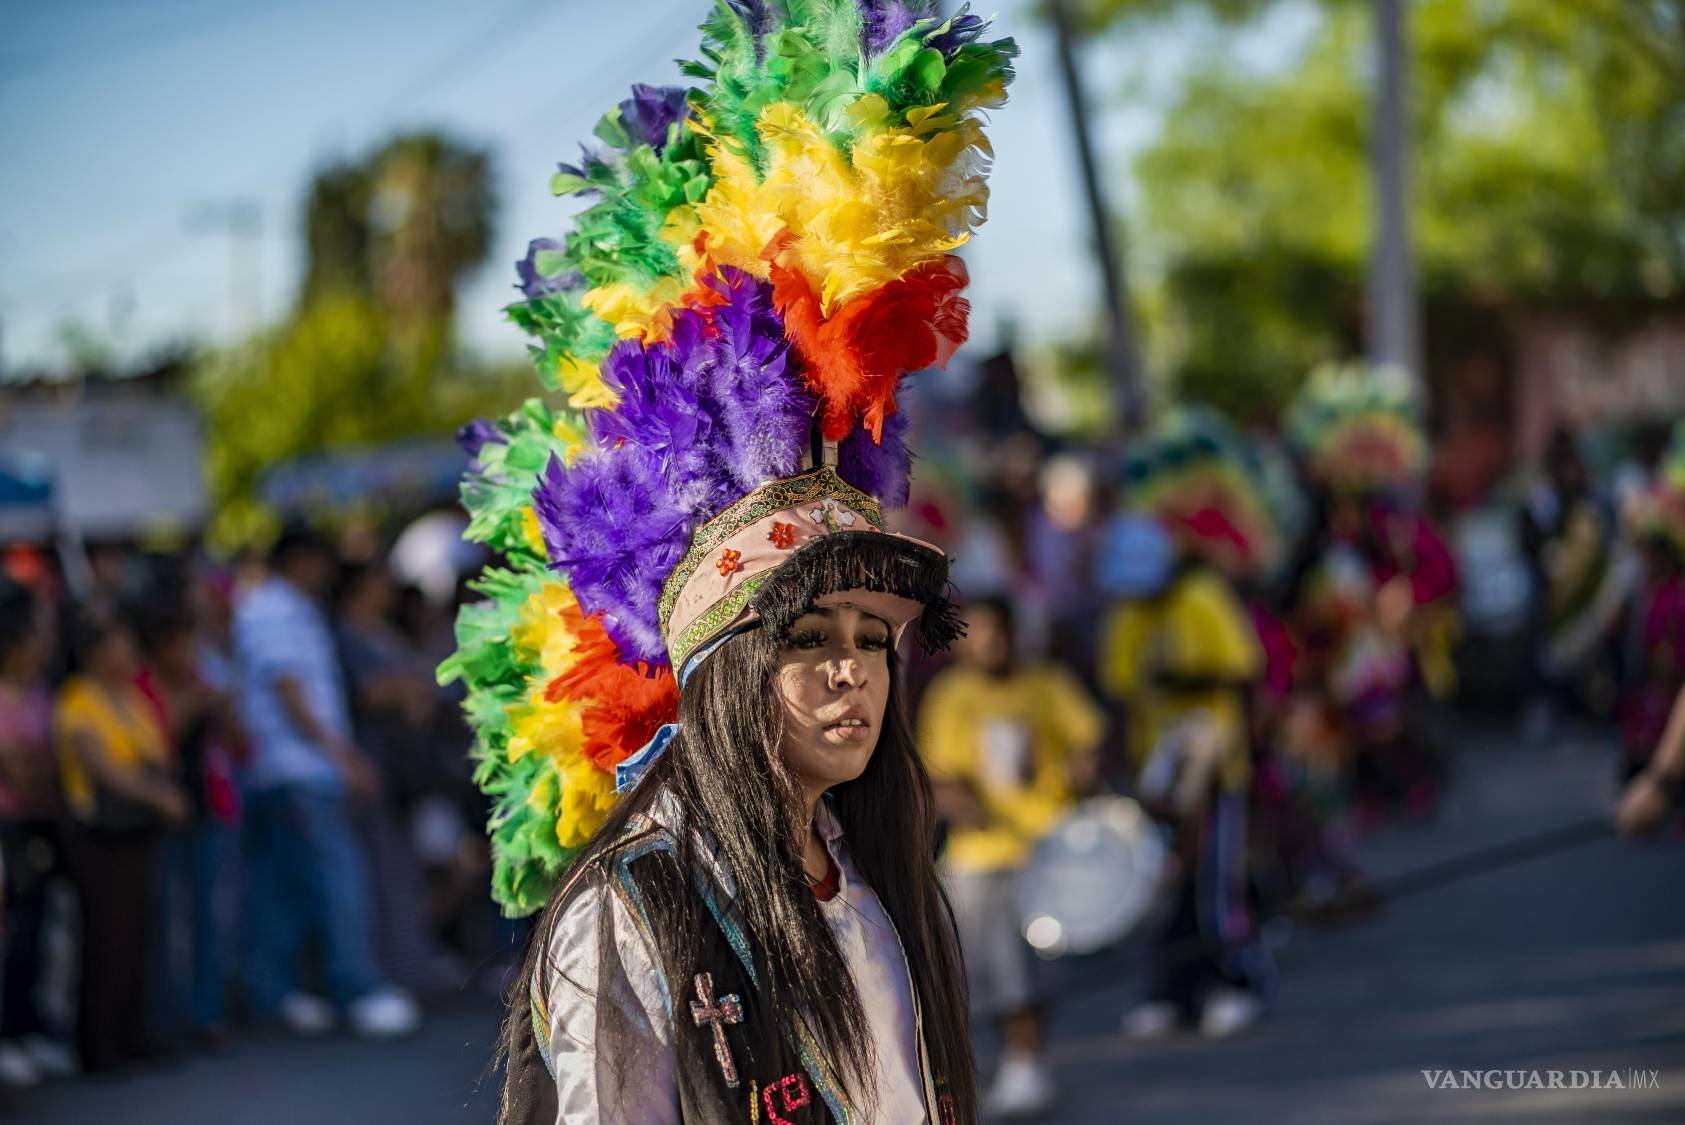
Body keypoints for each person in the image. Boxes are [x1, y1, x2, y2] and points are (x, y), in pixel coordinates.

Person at [447, 6, 1020, 1121]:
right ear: (721, 673)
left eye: (871, 641)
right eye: (806, 639)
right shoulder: (632, 908)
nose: (852, 672)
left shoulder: (869, 874)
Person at [919, 596, 1103, 1117]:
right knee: (985, 969)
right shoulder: (952, 696)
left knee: (1021, 967)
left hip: (1046, 850)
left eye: (996, 631)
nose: (988, 643)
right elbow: (944, 775)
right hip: (981, 855)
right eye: (976, 633)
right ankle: (1013, 1063)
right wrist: (969, 809)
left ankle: (1026, 1062)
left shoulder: (1045, 684)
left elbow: (1086, 740)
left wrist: (1081, 780)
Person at [233, 529, 419, 1039]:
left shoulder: (287, 606)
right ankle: (356, 988)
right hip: (299, 767)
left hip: (294, 767)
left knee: (283, 889)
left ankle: (278, 993)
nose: (329, 570)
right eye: (320, 558)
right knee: (339, 878)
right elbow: (288, 689)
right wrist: (343, 757)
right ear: (298, 558)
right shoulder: (272, 608)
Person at [1101, 522, 1269, 1039]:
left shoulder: (1202, 598)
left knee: (1213, 884)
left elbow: (1244, 673)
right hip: (1159, 768)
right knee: (1164, 885)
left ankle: (1234, 982)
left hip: (1213, 763)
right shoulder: (1129, 613)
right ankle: (1173, 989)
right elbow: (1123, 691)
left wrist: (1240, 754)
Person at [54, 611, 187, 1071]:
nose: (129, 654)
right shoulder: (78, 700)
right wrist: (156, 794)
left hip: (137, 832)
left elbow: (157, 750)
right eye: (118, 644)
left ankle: (134, 1031)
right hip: (99, 836)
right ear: (94, 652)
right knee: (105, 938)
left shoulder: (131, 699)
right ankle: (98, 1043)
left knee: (138, 935)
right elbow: (100, 764)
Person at [0, 584, 74, 1086]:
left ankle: (28, 1029)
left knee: (37, 935)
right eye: (35, 633)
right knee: (14, 938)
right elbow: (25, 772)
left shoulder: (43, 694)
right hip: (10, 829)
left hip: (40, 826)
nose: (44, 642)